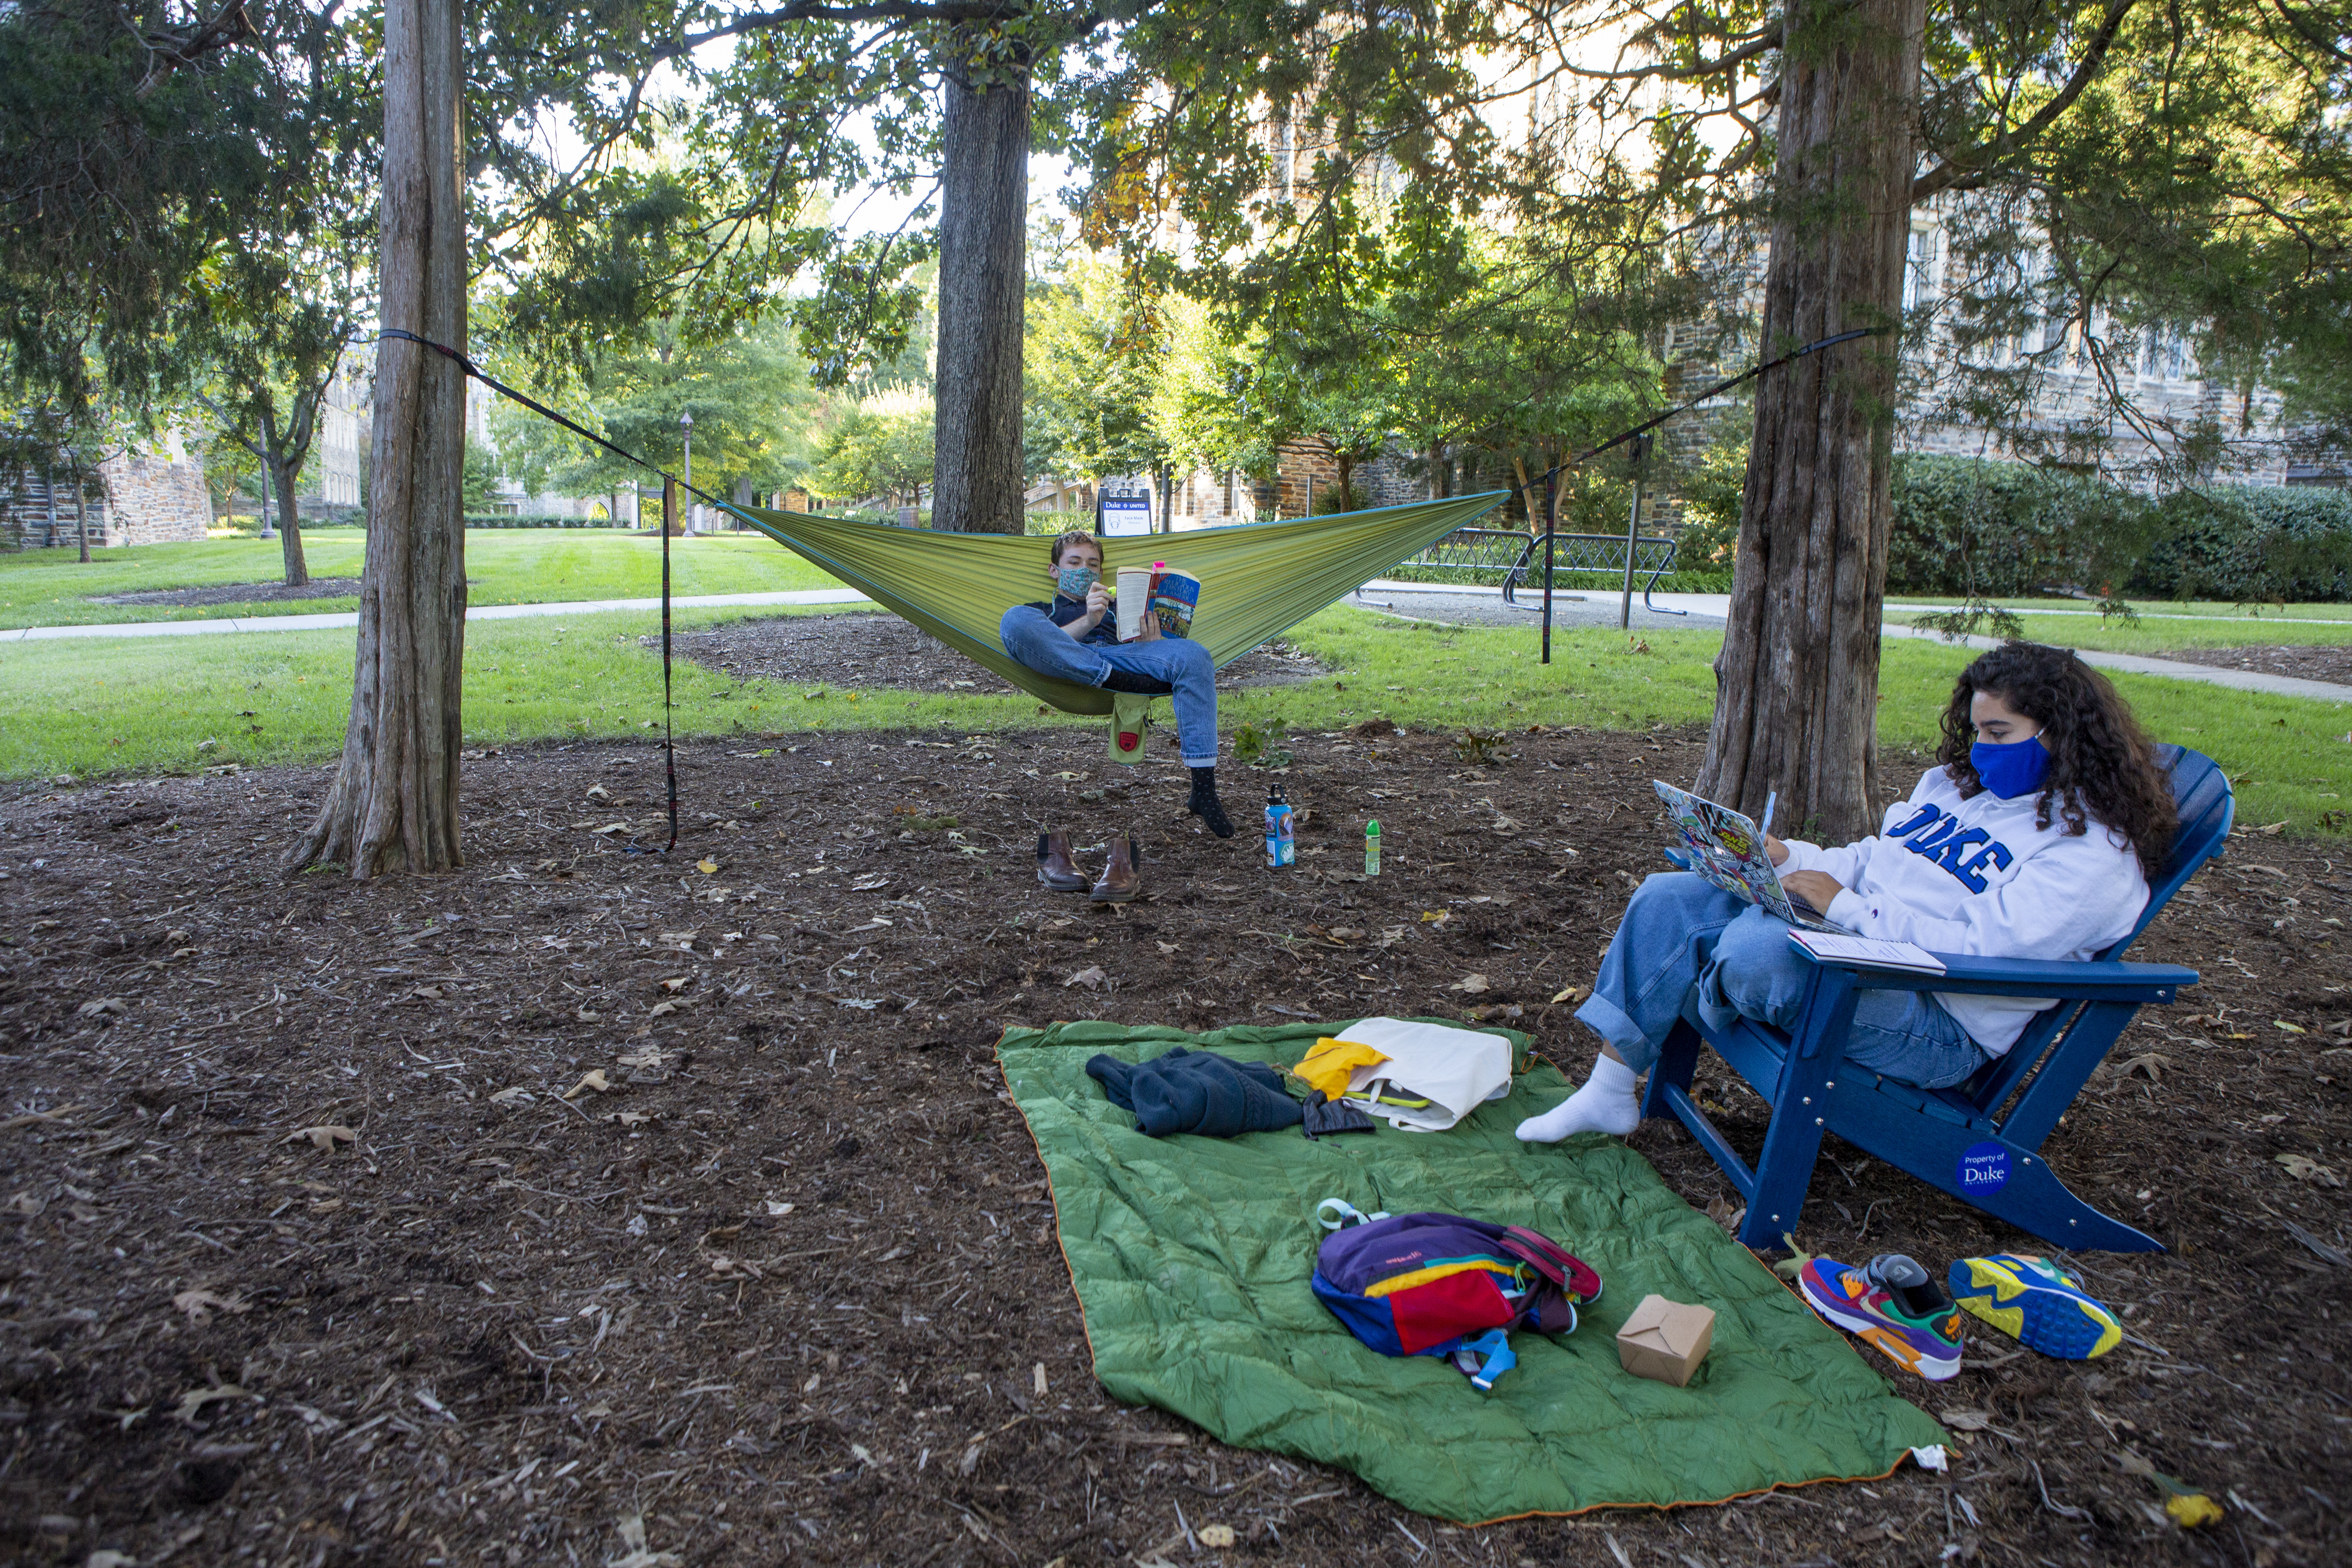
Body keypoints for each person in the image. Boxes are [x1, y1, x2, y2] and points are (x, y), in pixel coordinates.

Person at [1519, 641, 2179, 1144]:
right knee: (1671, 895)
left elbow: (1985, 949)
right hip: (1859, 950)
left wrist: (1846, 909)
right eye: (1976, 730)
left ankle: (1709, 972)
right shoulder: (1957, 788)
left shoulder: (2092, 856)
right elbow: (1874, 859)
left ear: (2059, 733)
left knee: (1756, 952)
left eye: (1999, 734)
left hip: (1937, 1019)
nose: (1979, 750)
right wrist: (1789, 858)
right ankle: (1609, 1091)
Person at [1000, 530, 1234, 844]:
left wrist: (1153, 644)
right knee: (1013, 620)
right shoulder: (1044, 611)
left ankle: (1204, 790)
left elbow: (1152, 651)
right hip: (1070, 658)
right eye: (1074, 562)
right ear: (1054, 570)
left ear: (1101, 573)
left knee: (1196, 656)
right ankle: (1107, 676)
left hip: (1125, 659)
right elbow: (1039, 645)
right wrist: (1088, 620)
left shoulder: (1119, 604)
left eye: (1093, 565)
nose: (1085, 569)